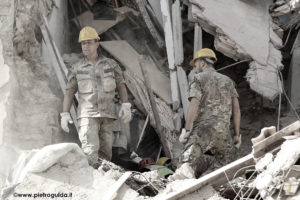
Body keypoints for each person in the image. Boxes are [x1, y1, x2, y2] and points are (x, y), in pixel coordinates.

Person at [60, 26, 132, 168]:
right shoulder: (77, 68)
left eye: (89, 42)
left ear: (97, 44)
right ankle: (92, 182)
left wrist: (126, 105)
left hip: (107, 115)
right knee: (90, 152)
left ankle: (104, 182)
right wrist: (65, 114)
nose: (85, 46)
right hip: (88, 115)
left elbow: (121, 85)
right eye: (83, 43)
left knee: (106, 154)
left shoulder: (111, 65)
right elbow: (69, 92)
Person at [179, 48, 241, 177]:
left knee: (186, 163)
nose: (195, 68)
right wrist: (236, 135)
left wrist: (187, 129)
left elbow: (194, 103)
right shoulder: (228, 81)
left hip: (203, 130)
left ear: (202, 63)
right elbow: (236, 109)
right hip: (223, 131)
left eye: (195, 64)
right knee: (225, 168)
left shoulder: (198, 78)